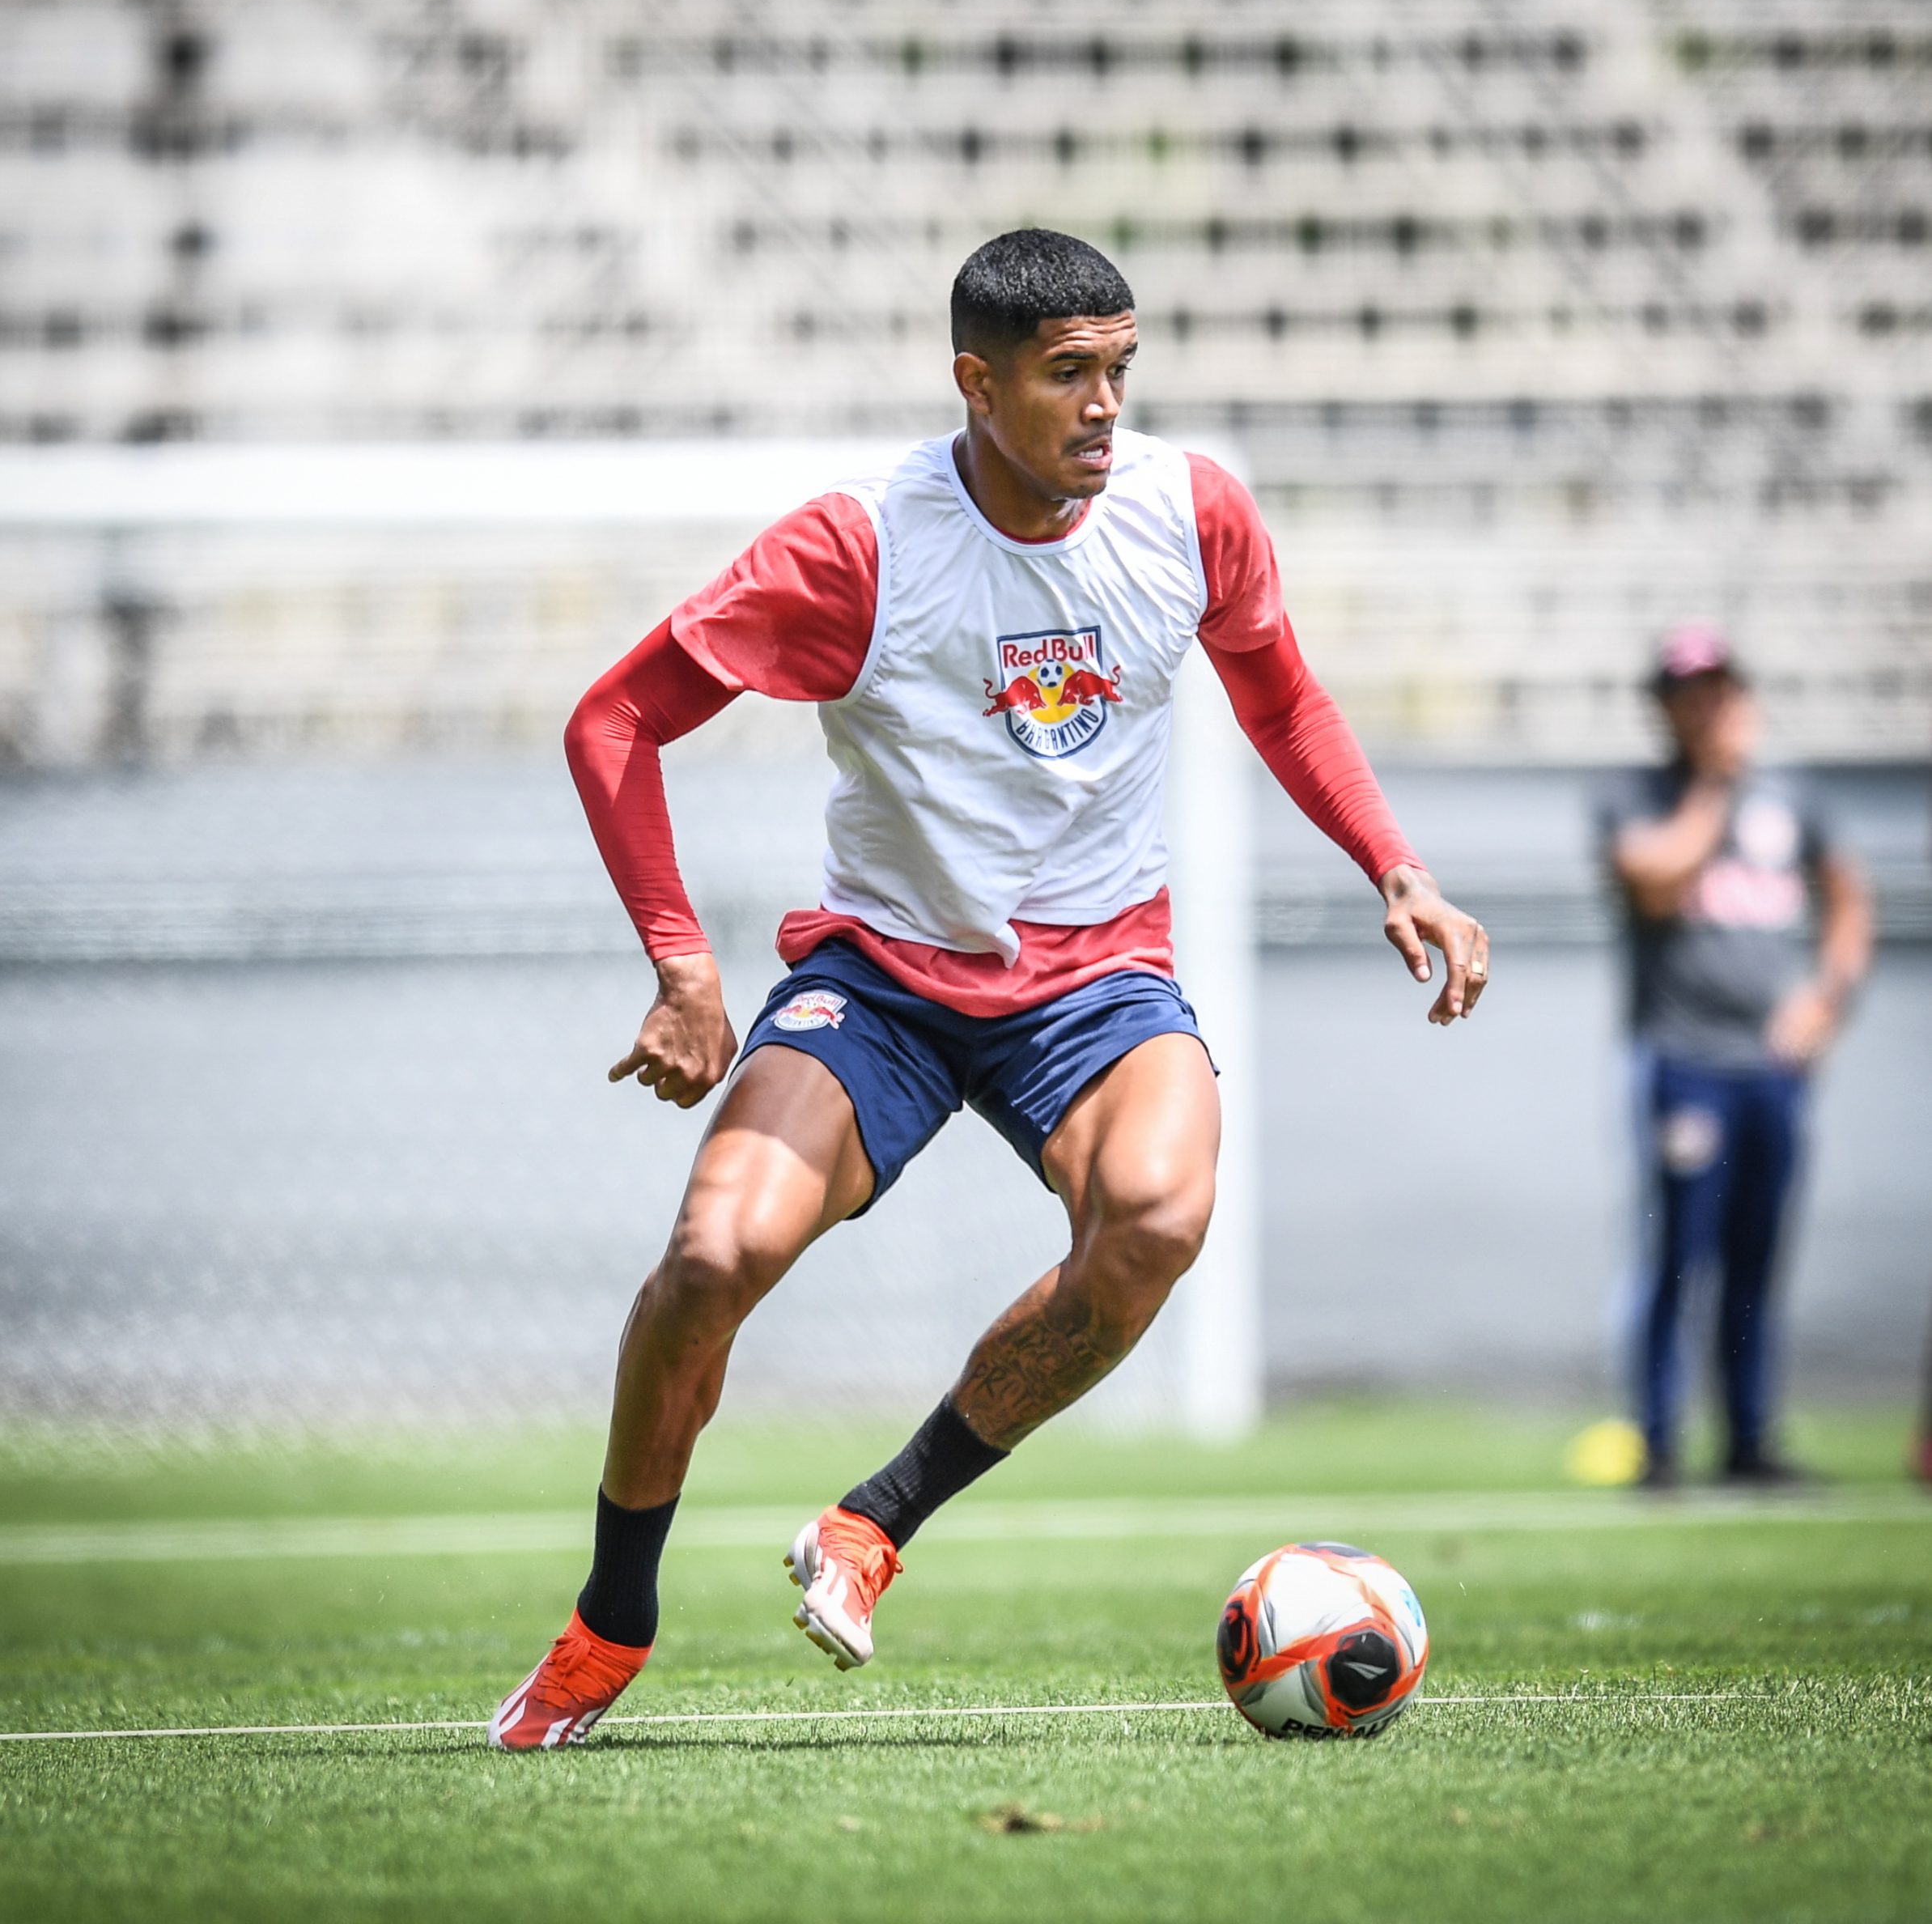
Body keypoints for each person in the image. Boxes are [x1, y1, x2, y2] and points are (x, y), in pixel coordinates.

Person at [490, 229, 1491, 1751]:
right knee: (708, 1258)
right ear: (977, 382)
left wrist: (1392, 864)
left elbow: (1277, 688)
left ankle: (874, 1523)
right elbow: (613, 719)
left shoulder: (1189, 511)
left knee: (1155, 1219)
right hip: (881, 981)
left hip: (1095, 983)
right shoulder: (859, 549)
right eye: (1066, 374)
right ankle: (606, 1626)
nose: (1104, 405)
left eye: (1120, 370)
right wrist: (681, 964)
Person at [1599, 626, 1872, 1490]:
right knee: (1678, 1253)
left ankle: (1749, 1440)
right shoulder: (1639, 795)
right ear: (1663, 708)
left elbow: (1846, 898)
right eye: (1687, 692)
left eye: (1716, 688)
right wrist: (1717, 783)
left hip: (1772, 1068)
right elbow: (1656, 878)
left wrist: (1825, 996)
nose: (1705, 706)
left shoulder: (1792, 797)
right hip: (1683, 1060)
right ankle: (1659, 1443)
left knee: (1758, 1255)